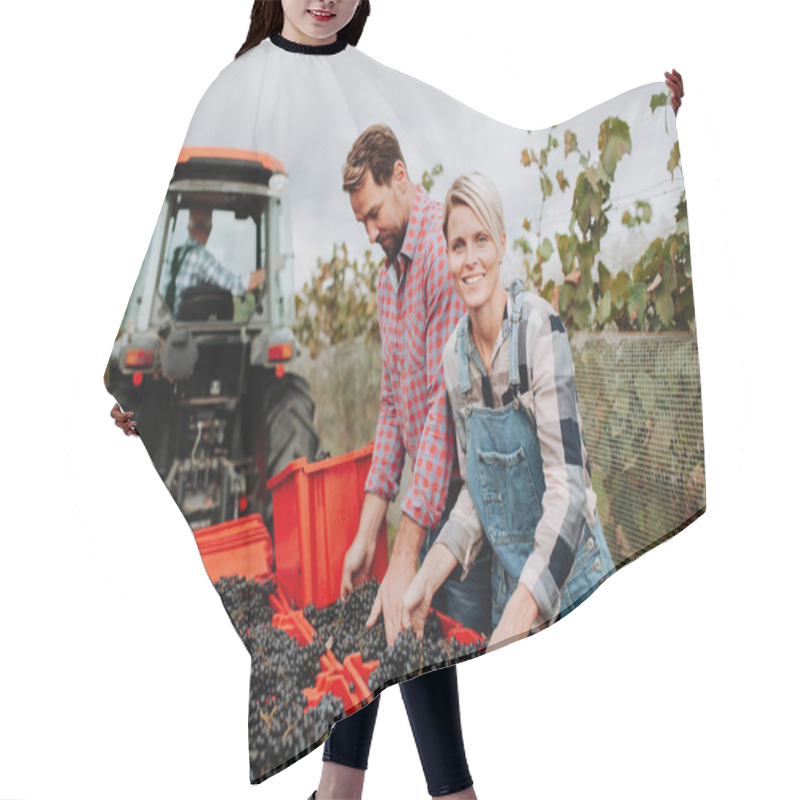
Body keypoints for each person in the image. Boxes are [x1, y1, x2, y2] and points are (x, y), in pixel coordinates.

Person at [401, 172, 615, 652]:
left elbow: (569, 492)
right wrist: (428, 575)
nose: (470, 259)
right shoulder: (453, 360)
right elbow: (477, 495)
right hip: (509, 599)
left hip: (573, 587)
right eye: (458, 245)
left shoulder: (538, 331)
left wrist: (522, 611)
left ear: (500, 243)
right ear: (447, 257)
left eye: (481, 240)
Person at [158, 204, 266, 318]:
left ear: (188, 228)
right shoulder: (200, 257)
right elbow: (237, 285)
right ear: (209, 230)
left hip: (169, 327)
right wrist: (270, 270)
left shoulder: (174, 255)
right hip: (188, 328)